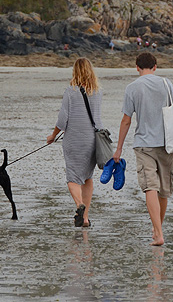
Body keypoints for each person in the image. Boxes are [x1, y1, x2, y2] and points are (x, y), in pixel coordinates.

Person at [112, 52, 173, 246]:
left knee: (150, 186)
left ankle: (158, 232)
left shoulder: (132, 88)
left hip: (143, 144)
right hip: (167, 143)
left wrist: (118, 149)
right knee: (164, 189)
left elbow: (126, 121)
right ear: (155, 67)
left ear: (136, 67)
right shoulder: (166, 83)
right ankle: (158, 228)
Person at [47, 58, 102, 228]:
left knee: (73, 177)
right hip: (93, 139)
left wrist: (53, 135)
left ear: (75, 71)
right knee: (87, 177)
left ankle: (79, 206)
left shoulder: (70, 91)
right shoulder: (97, 91)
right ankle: (85, 218)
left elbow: (63, 120)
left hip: (74, 140)